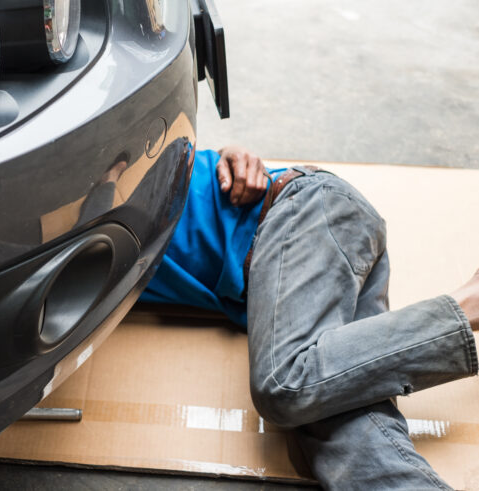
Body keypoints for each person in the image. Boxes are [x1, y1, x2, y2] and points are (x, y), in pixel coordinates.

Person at [139, 145, 479, 490]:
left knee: (286, 381)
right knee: (350, 440)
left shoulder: (97, 186)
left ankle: (469, 305)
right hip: (298, 271)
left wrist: (224, 152)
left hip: (299, 214)